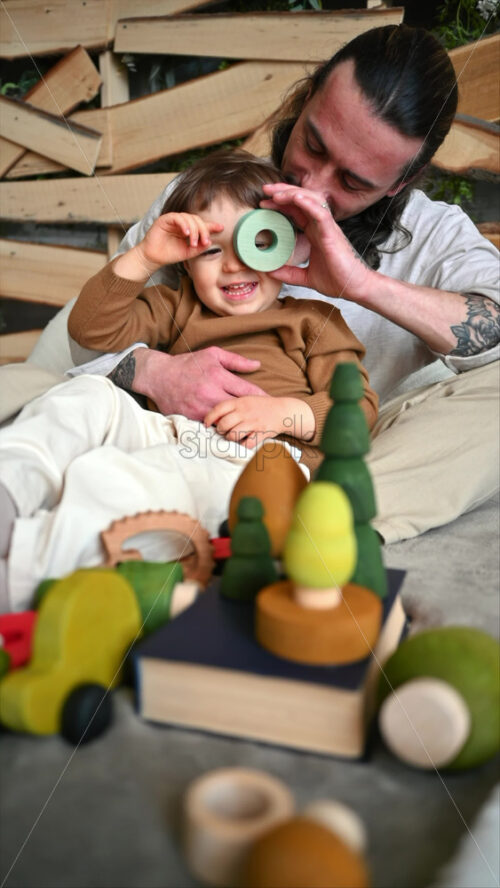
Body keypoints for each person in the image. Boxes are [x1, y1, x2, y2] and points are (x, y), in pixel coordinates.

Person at [1, 24, 498, 543]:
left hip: (306, 453)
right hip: (165, 424)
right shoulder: (210, 198)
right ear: (306, 98)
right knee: (47, 397)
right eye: (313, 144)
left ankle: (309, 517)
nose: (312, 187)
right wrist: (155, 371)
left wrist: (361, 285)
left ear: (400, 181)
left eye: (352, 181)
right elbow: (94, 340)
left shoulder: (432, 239)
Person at [0, 151, 377, 611]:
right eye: (211, 250)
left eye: (257, 242)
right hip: (162, 427)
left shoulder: (313, 321)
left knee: (130, 481)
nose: (233, 265)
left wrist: (283, 413)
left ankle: (23, 569)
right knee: (85, 395)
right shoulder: (175, 305)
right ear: (185, 262)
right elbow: (90, 330)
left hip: (256, 464)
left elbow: (358, 410)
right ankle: (10, 487)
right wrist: (143, 257)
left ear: (289, 246)